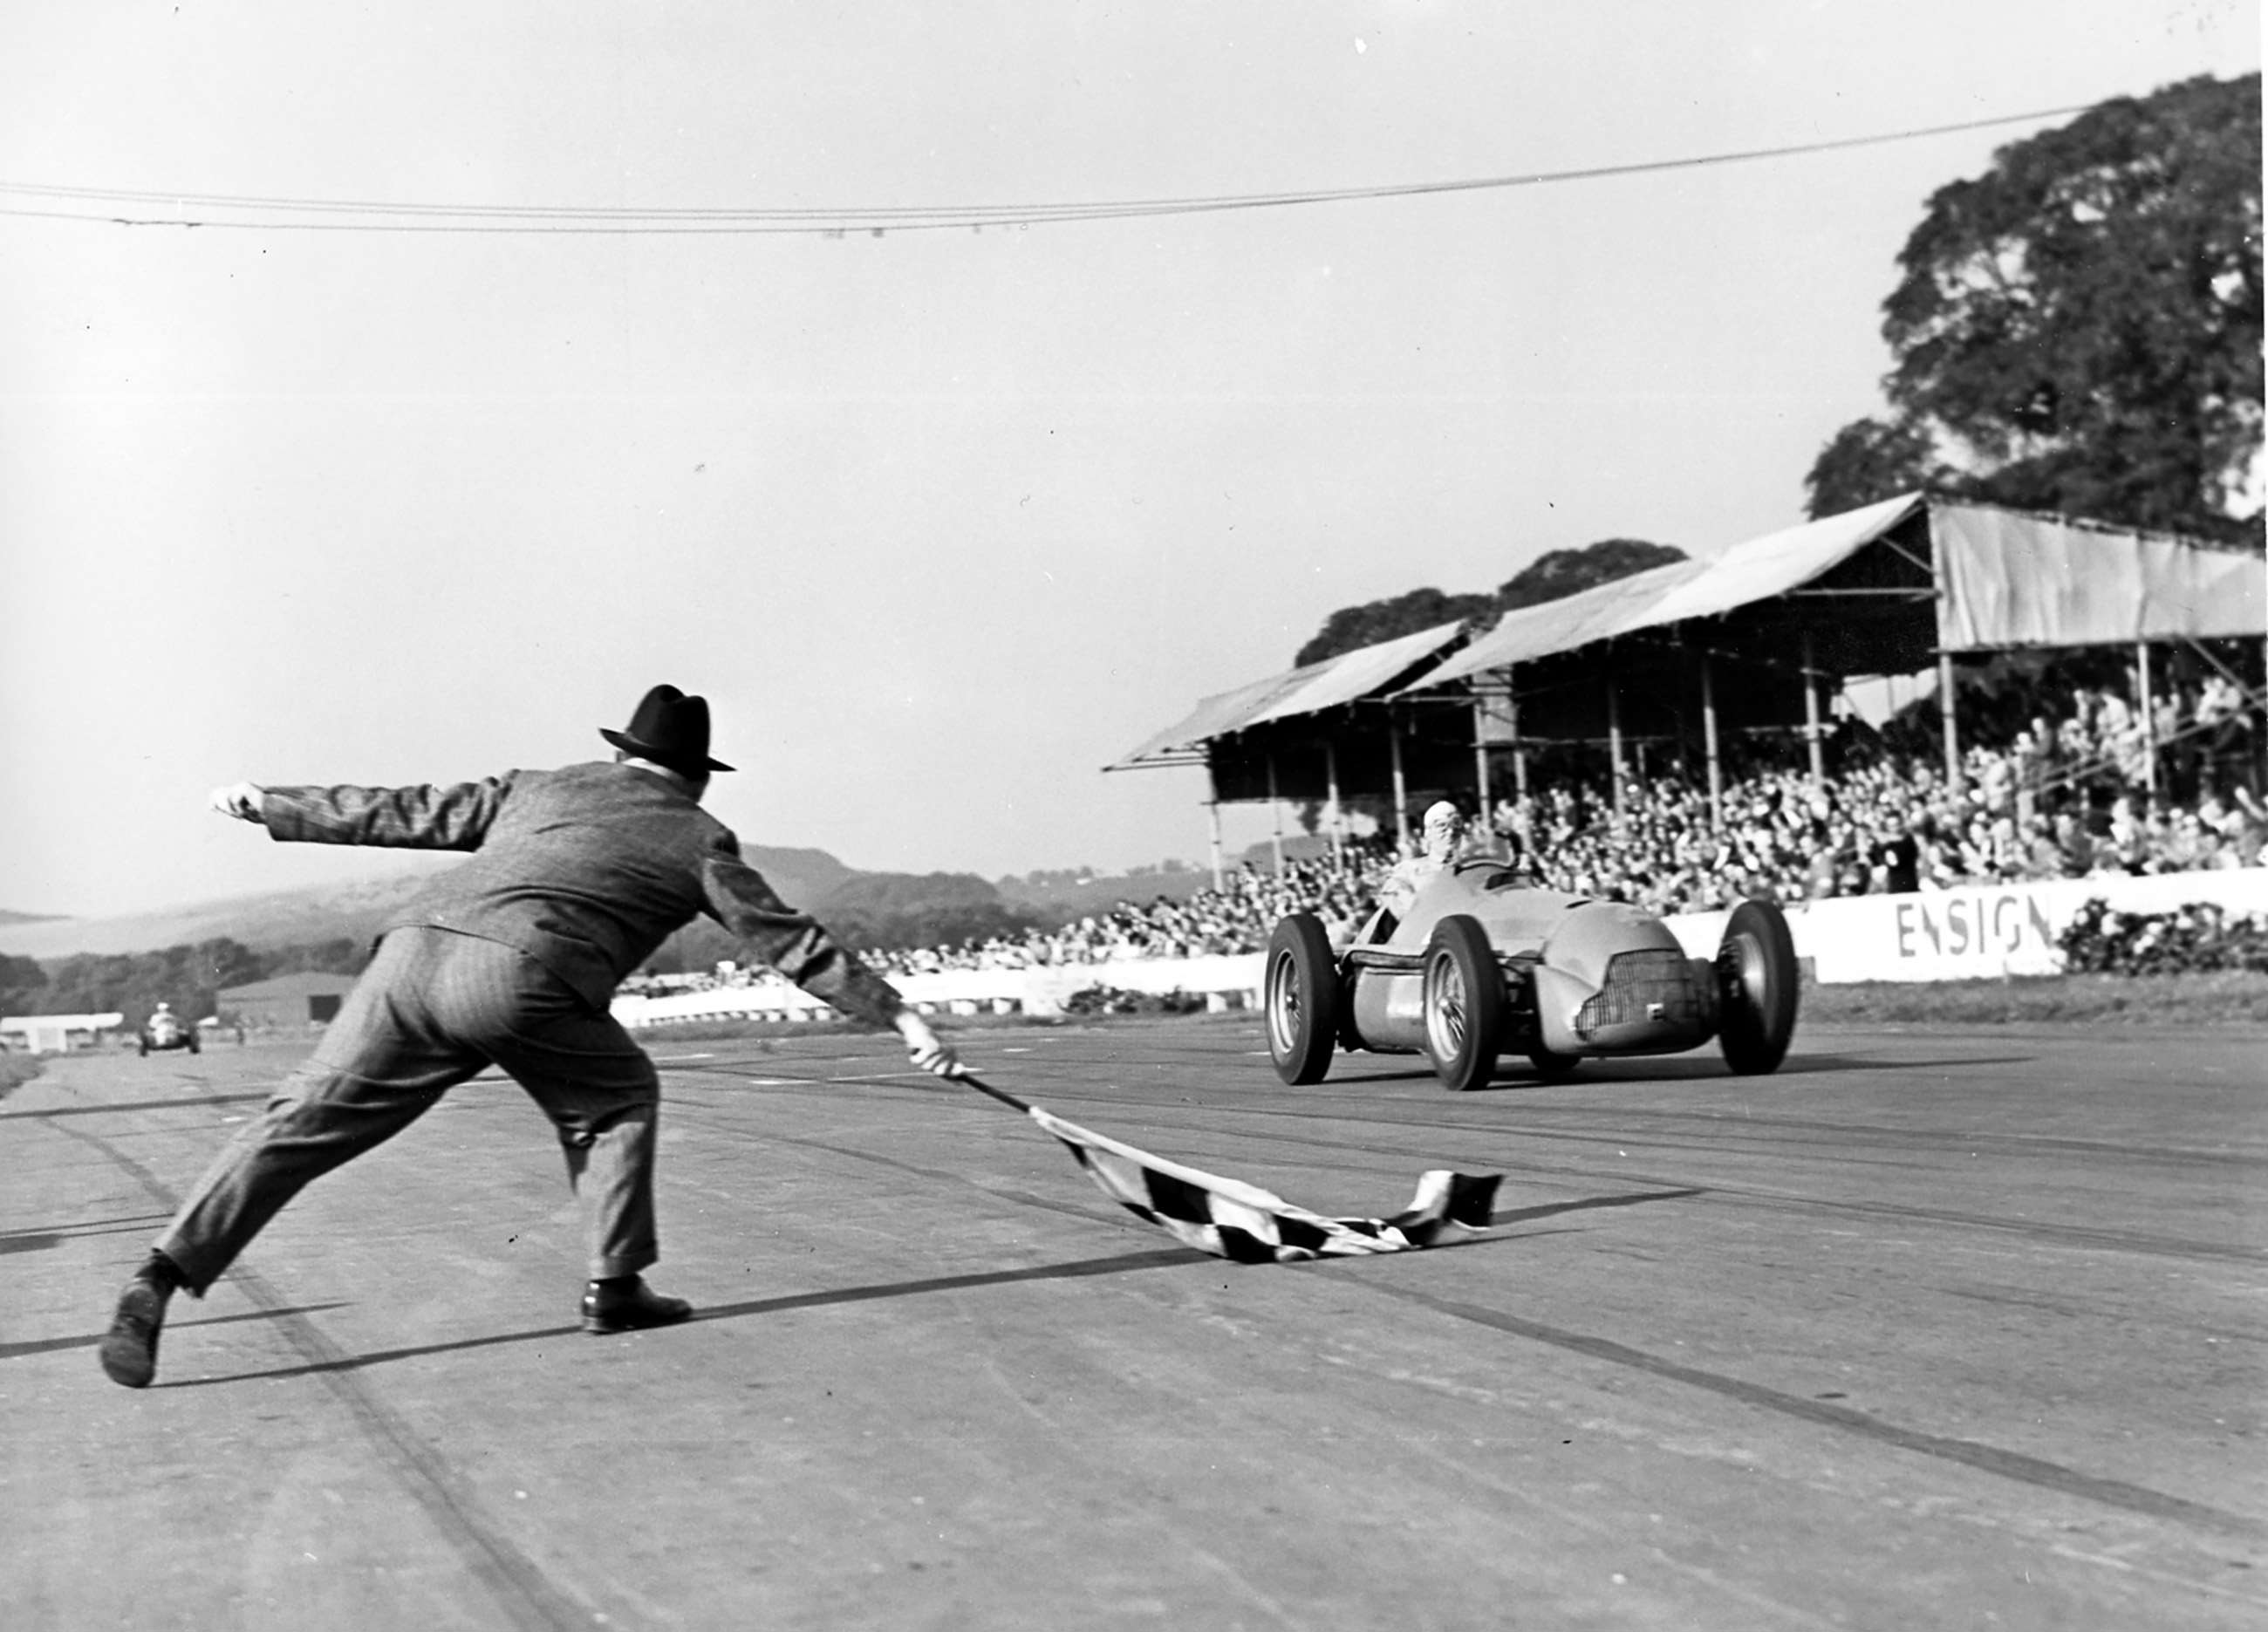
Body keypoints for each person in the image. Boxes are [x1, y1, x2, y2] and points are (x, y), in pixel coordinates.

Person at [99, 684, 961, 1390]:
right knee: (617, 1097)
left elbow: (408, 810)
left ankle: (160, 1273)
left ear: (622, 754)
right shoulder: (699, 834)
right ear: (694, 776)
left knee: (297, 1122)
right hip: (524, 972)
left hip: (407, 956)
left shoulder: (540, 785)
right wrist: (900, 1013)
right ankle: (614, 1284)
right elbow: (787, 938)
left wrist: (274, 804)